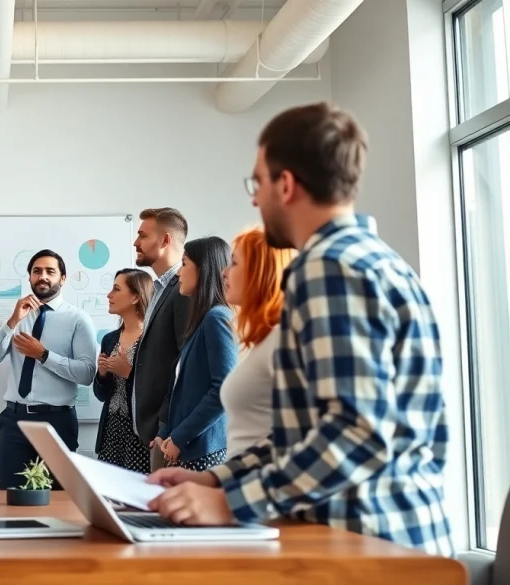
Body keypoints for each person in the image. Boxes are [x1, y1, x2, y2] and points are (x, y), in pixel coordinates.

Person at [147, 102, 454, 557]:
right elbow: (303, 436)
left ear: (285, 184)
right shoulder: (375, 262)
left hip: (368, 547)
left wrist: (230, 502)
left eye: (259, 183)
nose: (255, 199)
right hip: (385, 539)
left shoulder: (329, 271)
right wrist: (216, 479)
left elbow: (358, 432)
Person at [0, 249, 99, 489]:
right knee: (11, 497)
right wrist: (12, 321)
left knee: (58, 498)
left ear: (63, 278)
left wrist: (44, 355)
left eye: (50, 271)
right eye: (37, 271)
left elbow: (87, 373)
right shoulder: (19, 316)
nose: (42, 276)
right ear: (29, 277)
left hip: (56, 421)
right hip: (14, 420)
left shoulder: (78, 319)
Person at [153, 236, 237, 471]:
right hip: (188, 448)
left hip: (203, 450)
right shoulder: (201, 321)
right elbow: (185, 391)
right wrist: (166, 432)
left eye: (185, 264)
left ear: (204, 270)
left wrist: (180, 437)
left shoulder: (216, 317)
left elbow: (223, 389)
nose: (179, 272)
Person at [218, 227, 293, 457]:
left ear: (259, 271)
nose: (224, 272)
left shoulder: (281, 341)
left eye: (234, 263)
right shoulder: (265, 341)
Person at [130, 208, 191, 471]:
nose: (135, 242)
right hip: (150, 431)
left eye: (142, 235)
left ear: (165, 240)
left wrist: (164, 424)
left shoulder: (183, 289)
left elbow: (184, 364)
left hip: (165, 433)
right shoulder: (159, 288)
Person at [94, 268, 154, 473]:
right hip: (111, 431)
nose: (109, 295)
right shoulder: (109, 339)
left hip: (140, 435)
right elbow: (101, 395)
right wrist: (102, 374)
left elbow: (158, 391)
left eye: (116, 289)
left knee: (136, 499)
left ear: (136, 296)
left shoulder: (152, 338)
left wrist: (128, 372)